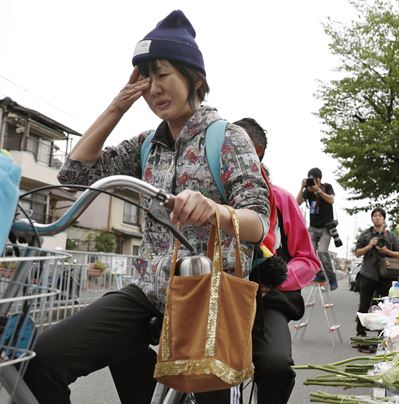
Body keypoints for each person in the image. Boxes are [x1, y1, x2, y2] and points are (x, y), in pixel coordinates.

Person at [24, 10, 270, 404]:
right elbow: (73, 176)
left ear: (196, 80)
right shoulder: (145, 145)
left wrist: (214, 209)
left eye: (163, 74)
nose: (154, 87)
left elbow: (259, 221)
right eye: (146, 77)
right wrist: (117, 106)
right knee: (43, 360)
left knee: (210, 393)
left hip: (207, 298)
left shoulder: (228, 138)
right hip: (148, 292)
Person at [234, 117, 321, 403]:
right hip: (218, 293)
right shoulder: (206, 193)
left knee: (275, 364)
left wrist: (275, 278)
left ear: (258, 153)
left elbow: (308, 259)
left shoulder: (282, 200)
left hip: (267, 300)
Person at [353, 207, 399, 337]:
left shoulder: (390, 236)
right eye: (375, 216)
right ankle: (360, 331)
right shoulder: (366, 235)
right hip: (368, 273)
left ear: (384, 218)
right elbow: (357, 253)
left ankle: (382, 332)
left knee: (384, 306)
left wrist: (386, 251)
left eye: (380, 215)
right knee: (364, 304)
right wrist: (369, 246)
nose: (377, 217)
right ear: (372, 218)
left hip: (386, 275)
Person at [296, 167, 339, 290]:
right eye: (310, 180)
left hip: (326, 227)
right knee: (309, 251)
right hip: (313, 228)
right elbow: (296, 203)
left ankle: (331, 278)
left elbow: (331, 200)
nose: (312, 183)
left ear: (319, 179)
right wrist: (302, 188)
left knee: (322, 251)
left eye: (314, 180)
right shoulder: (308, 191)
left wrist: (318, 191)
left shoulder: (327, 187)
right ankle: (319, 274)